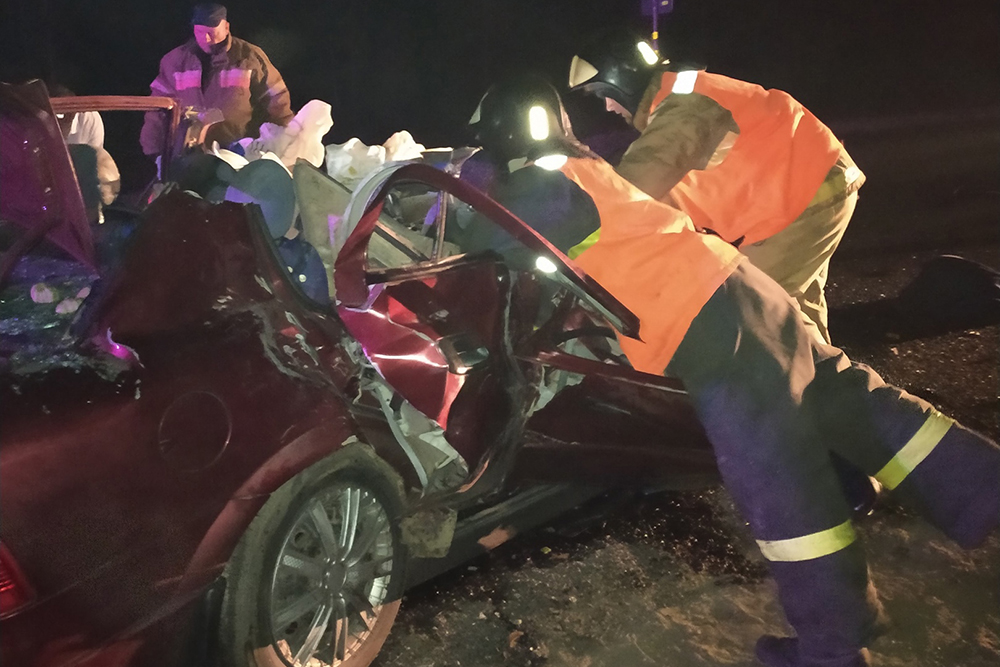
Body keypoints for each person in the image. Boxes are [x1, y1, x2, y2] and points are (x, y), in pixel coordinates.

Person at [466, 75, 1000, 667]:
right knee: (855, 406)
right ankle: (984, 490)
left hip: (710, 329)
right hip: (744, 292)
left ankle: (833, 647)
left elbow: (480, 247)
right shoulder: (583, 167)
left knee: (777, 478)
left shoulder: (538, 189)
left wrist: (452, 190)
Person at [568, 31, 863, 344]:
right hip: (813, 192)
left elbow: (634, 185)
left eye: (605, 94)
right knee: (797, 317)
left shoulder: (685, 108)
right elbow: (667, 194)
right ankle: (828, 375)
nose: (608, 107)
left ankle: (802, 374)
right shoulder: (679, 100)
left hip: (803, 200)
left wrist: (573, 237)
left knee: (756, 314)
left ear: (623, 81)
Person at [139, 3, 294, 162]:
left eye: (211, 33)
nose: (205, 38)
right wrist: (154, 151)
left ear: (226, 27)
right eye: (200, 32)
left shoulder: (250, 57)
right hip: (188, 156)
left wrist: (284, 140)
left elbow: (277, 98)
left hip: (238, 155)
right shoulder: (175, 61)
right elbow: (158, 107)